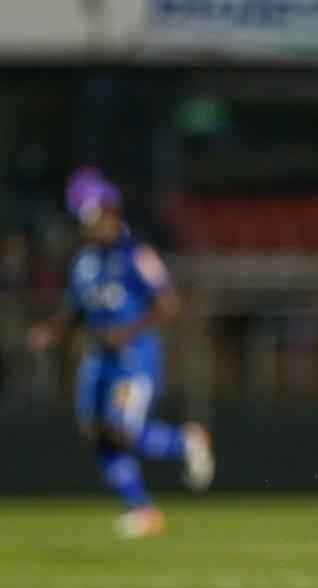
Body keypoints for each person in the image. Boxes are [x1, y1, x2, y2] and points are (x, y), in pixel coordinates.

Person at [26, 167, 214, 538]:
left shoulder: (137, 256)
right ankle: (142, 509)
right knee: (96, 432)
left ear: (111, 212)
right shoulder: (83, 263)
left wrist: (128, 331)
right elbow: (76, 309)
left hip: (134, 355)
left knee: (123, 428)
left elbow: (169, 304)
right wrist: (52, 332)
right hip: (97, 358)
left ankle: (186, 441)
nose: (89, 227)